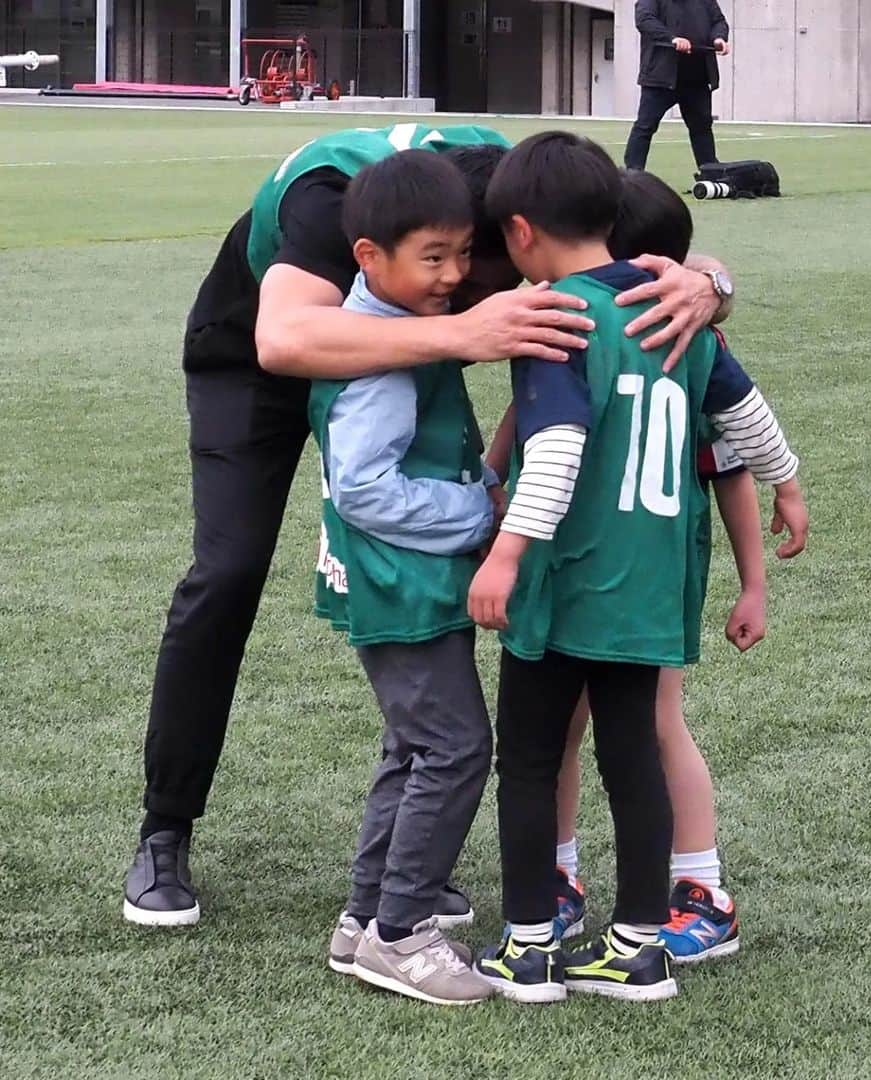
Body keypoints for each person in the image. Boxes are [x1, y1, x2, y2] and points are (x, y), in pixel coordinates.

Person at [121, 119, 742, 929]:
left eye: (474, 268)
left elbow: (641, 247)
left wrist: (712, 286)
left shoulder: (510, 180)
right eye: (449, 266)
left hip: (417, 351)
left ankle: (404, 852)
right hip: (257, 363)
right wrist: (463, 332)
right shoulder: (335, 198)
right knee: (230, 567)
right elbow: (283, 338)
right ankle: (164, 830)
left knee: (431, 594)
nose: (472, 280)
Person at [468, 133, 801, 1004]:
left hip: (567, 581)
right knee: (634, 761)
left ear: (520, 231)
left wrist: (505, 555)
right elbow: (748, 413)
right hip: (653, 587)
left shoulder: (559, 316)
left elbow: (559, 452)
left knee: (533, 762)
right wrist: (788, 482)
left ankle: (528, 945)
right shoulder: (678, 309)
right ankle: (639, 947)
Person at [548, 170, 808, 964]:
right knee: (561, 722)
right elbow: (529, 416)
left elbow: (728, 462)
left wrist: (755, 581)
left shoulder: (690, 341)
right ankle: (557, 879)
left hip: (652, 565)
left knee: (658, 719)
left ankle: (701, 889)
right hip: (570, 558)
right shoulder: (574, 325)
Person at [312, 150, 499, 1005]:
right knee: (457, 749)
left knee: (412, 747)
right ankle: (403, 933)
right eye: (434, 257)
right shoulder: (381, 356)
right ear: (368, 258)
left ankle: (364, 919)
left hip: (399, 585)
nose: (454, 275)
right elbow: (363, 487)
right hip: (404, 586)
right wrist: (482, 516)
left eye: (463, 253)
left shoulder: (389, 329)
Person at [625, 0, 731, 172]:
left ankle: (710, 172)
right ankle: (633, 174)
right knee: (645, 126)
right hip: (661, 77)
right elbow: (644, 19)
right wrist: (672, 38)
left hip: (698, 76)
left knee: (702, 127)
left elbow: (718, 21)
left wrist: (719, 38)